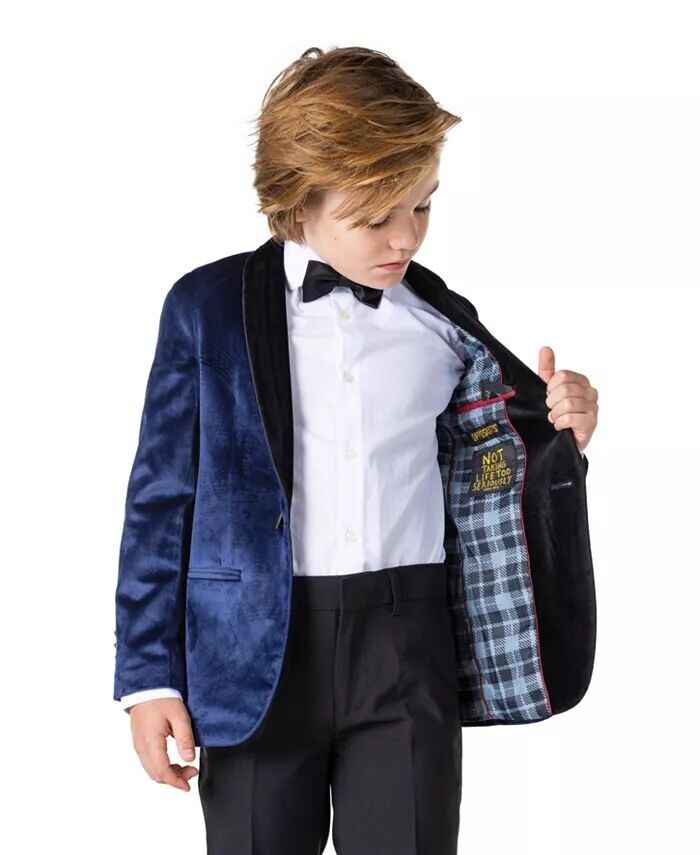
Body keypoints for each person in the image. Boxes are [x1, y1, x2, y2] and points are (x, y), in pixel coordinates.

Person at [113, 45, 598, 855]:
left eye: (423, 206)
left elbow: (508, 453)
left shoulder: (440, 323)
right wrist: (149, 678)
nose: (406, 237)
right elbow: (160, 501)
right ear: (298, 199)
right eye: (376, 217)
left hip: (407, 644)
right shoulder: (205, 308)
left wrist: (568, 428)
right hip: (252, 653)